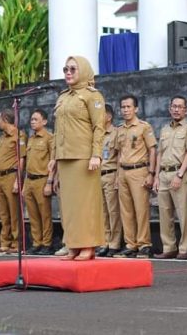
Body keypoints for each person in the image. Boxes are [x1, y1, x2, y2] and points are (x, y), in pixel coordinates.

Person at [53, 55, 106, 261]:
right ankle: (73, 245)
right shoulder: (63, 97)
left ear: (83, 70)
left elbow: (98, 127)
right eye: (65, 69)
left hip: (84, 157)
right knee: (69, 205)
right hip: (64, 156)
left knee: (86, 204)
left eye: (73, 69)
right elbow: (57, 131)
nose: (68, 73)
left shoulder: (93, 96)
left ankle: (88, 245)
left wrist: (96, 155)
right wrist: (53, 157)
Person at [111, 93, 157, 259]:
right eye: (123, 107)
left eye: (129, 107)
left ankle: (144, 244)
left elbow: (152, 150)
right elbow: (118, 154)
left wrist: (151, 174)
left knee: (141, 209)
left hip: (139, 170)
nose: (125, 110)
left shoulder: (144, 127)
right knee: (126, 211)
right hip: (123, 171)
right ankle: (130, 244)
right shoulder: (119, 129)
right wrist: (117, 176)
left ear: (136, 108)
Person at [154, 95, 187, 259]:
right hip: (164, 173)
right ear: (169, 108)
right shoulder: (165, 129)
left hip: (179, 172)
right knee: (165, 213)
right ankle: (168, 247)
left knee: (182, 213)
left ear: (186, 110)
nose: (177, 109)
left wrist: (179, 175)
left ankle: (184, 248)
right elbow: (160, 153)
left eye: (180, 107)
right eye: (174, 106)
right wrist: (157, 176)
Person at [0, 109, 26, 255]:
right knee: (3, 213)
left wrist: (17, 181)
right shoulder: (2, 137)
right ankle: (5, 242)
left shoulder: (18, 135)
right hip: (0, 177)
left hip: (11, 176)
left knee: (14, 212)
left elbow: (21, 159)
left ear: (5, 120)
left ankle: (16, 242)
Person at [24, 108, 55, 255]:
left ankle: (47, 243)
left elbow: (52, 161)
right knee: (33, 214)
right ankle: (37, 242)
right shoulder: (30, 138)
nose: (33, 122)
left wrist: (49, 182)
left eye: (36, 119)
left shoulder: (49, 138)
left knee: (45, 214)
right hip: (29, 180)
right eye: (31, 119)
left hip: (42, 179)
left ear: (44, 121)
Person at [97, 104, 122, 257]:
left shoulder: (116, 132)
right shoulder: (97, 134)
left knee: (113, 211)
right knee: (102, 212)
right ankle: (104, 241)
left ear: (109, 117)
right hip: (97, 175)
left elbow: (120, 156)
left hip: (111, 173)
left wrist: (118, 175)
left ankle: (114, 242)